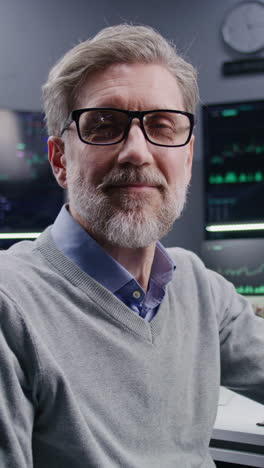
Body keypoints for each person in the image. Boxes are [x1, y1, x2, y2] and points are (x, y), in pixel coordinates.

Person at [0, 24, 263, 468]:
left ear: (187, 155)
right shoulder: (10, 306)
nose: (137, 152)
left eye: (162, 126)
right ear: (60, 160)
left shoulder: (199, 286)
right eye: (104, 126)